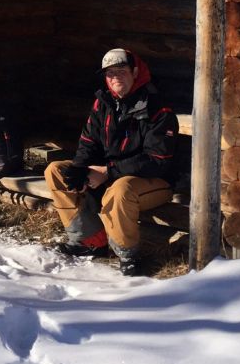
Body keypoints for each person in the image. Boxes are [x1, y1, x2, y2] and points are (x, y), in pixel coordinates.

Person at [44, 48, 178, 277]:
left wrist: (108, 171)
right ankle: (90, 241)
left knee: (120, 189)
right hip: (111, 174)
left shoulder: (157, 109)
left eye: (121, 71)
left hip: (154, 181)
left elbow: (157, 160)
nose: (115, 77)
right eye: (110, 73)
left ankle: (128, 254)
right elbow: (88, 141)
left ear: (135, 72)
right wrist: (79, 169)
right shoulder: (103, 103)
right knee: (56, 171)